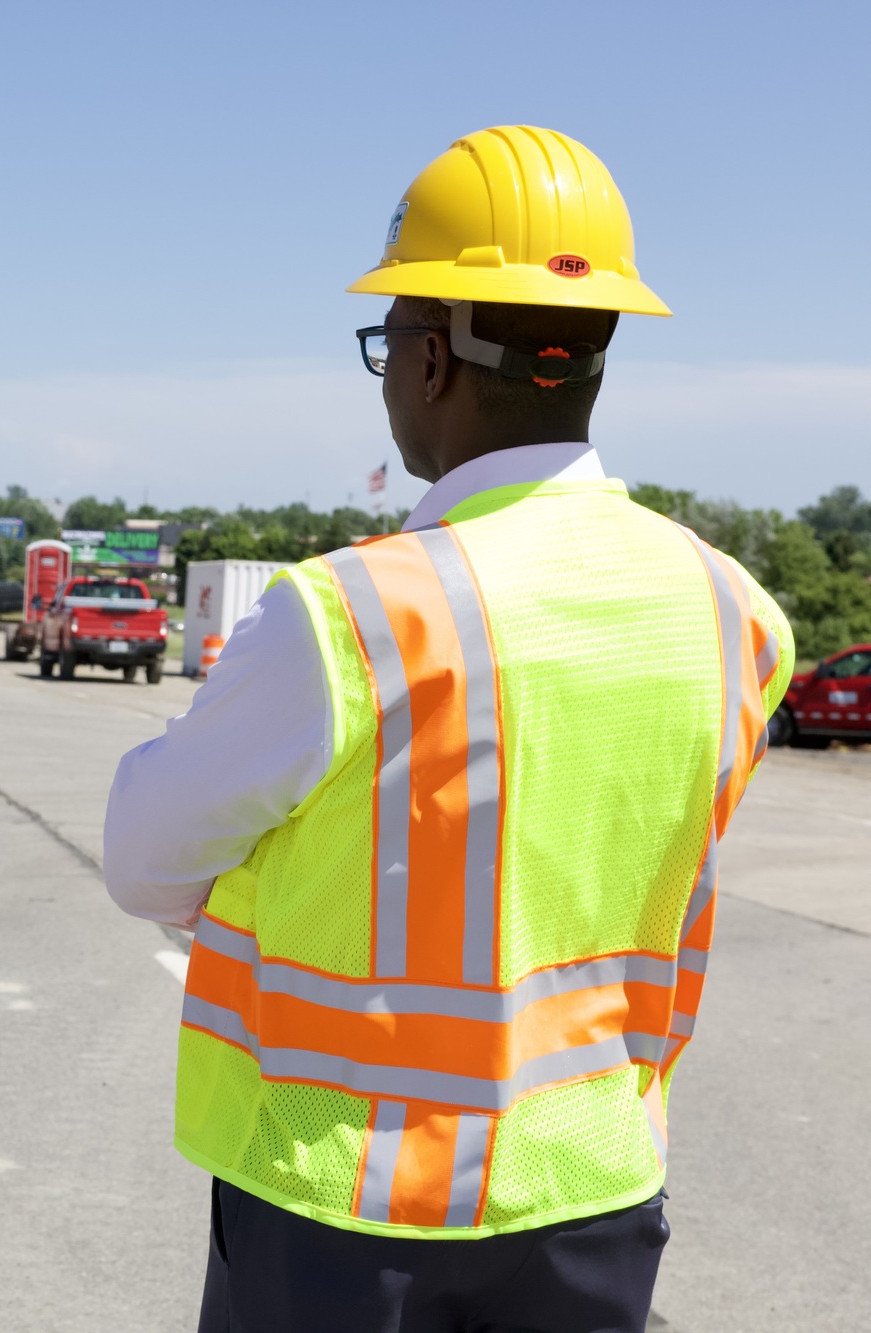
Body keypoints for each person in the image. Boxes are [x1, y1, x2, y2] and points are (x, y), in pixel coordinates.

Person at [103, 127, 791, 1333]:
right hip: (593, 1194)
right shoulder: (732, 612)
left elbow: (144, 860)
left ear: (429, 362)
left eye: (388, 342)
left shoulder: (351, 613)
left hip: (342, 1217)